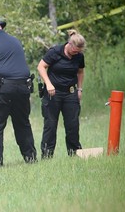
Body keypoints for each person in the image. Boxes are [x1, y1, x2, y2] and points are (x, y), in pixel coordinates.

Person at [0, 18, 37, 167]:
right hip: (23, 87)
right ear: (0, 27)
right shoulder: (16, 41)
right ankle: (31, 159)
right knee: (23, 123)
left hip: (2, 87)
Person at [37, 29, 86, 158]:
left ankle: (75, 154)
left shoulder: (79, 56)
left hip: (70, 93)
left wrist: (79, 89)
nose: (76, 53)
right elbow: (41, 67)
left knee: (72, 125)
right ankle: (47, 156)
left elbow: (80, 72)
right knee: (51, 126)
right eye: (75, 50)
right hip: (53, 93)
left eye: (78, 51)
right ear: (69, 44)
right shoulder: (55, 52)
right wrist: (48, 83)